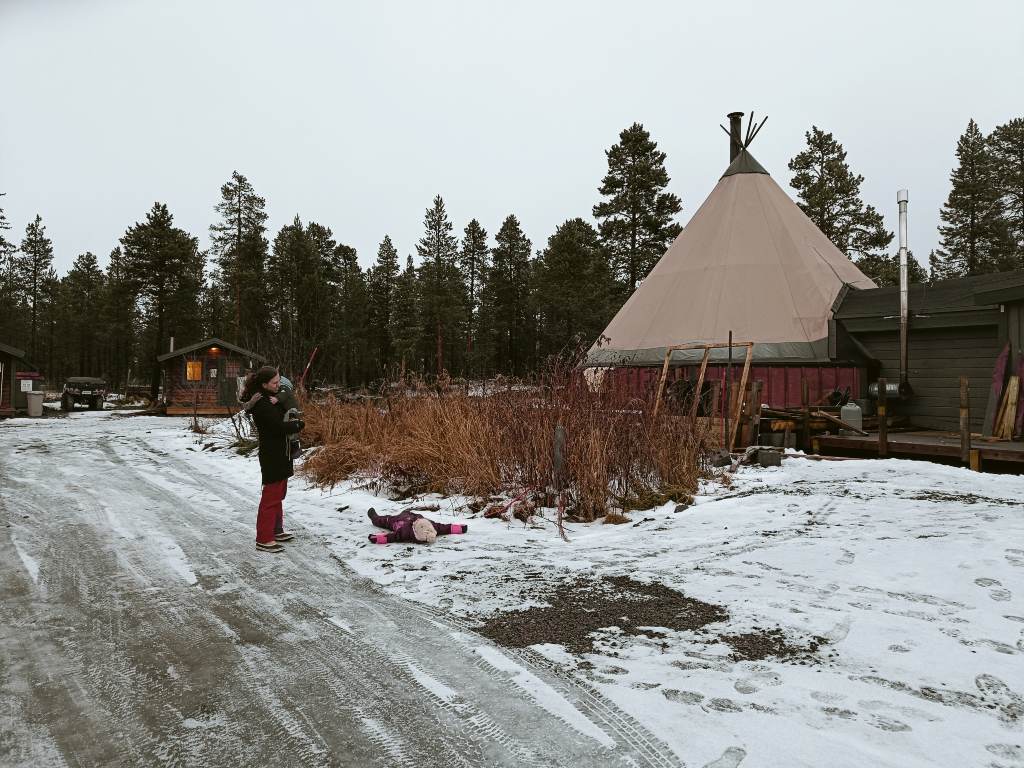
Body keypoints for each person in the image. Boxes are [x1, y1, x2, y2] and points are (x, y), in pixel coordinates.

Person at [239, 366, 305, 553]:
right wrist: (297, 425)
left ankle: (276, 530)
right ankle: (264, 537)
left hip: (282, 452)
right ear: (264, 384)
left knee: (279, 494)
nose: (278, 385)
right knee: (271, 496)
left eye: (279, 381)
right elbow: (278, 427)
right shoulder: (262, 403)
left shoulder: (271, 398)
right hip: (272, 455)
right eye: (275, 382)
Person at [366, 507, 468, 544]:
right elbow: (446, 528)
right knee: (406, 512)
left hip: (396, 520)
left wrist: (376, 538)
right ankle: (406, 511)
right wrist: (461, 528)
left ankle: (373, 517)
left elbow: (392, 537)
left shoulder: (406, 532)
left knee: (382, 520)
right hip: (411, 514)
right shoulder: (433, 527)